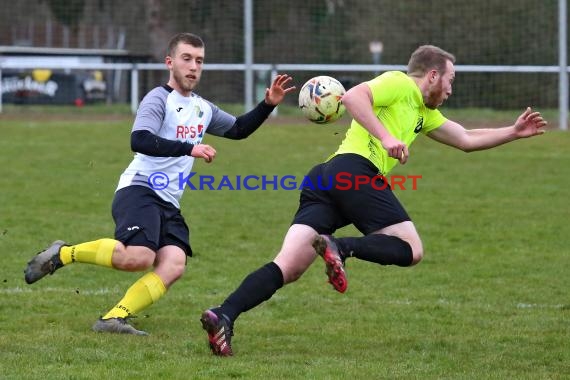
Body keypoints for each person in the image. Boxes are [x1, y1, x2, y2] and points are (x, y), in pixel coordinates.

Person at [200, 45, 547, 356]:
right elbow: (352, 98)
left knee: (288, 267)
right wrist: (386, 138)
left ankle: (224, 314)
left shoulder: (423, 113)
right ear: (432, 75)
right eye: (450, 80)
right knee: (411, 249)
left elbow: (467, 138)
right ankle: (341, 247)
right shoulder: (399, 83)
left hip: (325, 179)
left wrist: (513, 133)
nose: (451, 90)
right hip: (354, 172)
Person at [23, 32, 295, 335]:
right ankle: (63, 254)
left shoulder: (203, 109)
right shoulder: (158, 98)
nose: (193, 66)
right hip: (139, 189)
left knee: (174, 263)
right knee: (138, 257)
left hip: (168, 200)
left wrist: (267, 104)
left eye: (199, 61)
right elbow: (139, 140)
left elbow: (239, 129)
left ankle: (113, 318)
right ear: (170, 62)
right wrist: (188, 147)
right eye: (186, 58)